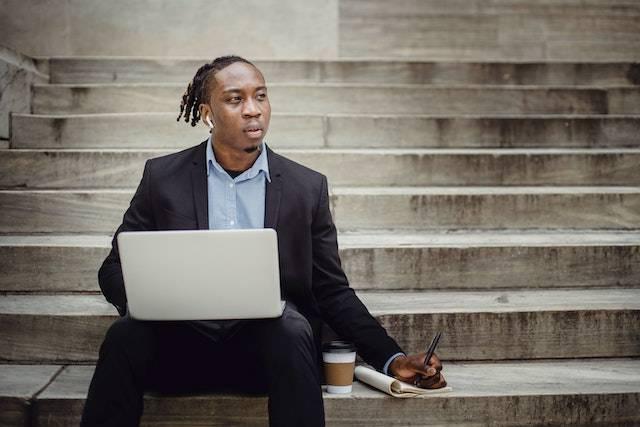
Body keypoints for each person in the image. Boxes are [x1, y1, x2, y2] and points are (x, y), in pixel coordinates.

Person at [80, 55, 446, 427]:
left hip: (268, 358)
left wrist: (391, 358)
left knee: (291, 325)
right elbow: (113, 269)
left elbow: (332, 290)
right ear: (207, 113)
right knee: (124, 335)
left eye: (261, 96)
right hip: (179, 352)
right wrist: (148, 300)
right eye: (235, 99)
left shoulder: (306, 188)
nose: (253, 110)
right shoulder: (162, 178)